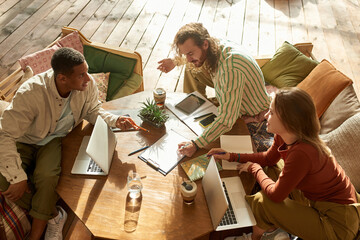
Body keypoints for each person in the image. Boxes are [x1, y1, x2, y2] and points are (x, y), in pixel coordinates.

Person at [0, 47, 137, 240]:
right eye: (81, 75)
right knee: (4, 180)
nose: (88, 79)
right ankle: (55, 215)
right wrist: (18, 177)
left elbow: (93, 110)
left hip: (53, 140)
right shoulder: (30, 93)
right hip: (24, 140)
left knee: (46, 177)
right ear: (62, 78)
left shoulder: (86, 86)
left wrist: (116, 120)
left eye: (86, 71)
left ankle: (36, 234)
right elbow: (4, 134)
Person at [207, 87, 360, 240]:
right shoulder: (285, 136)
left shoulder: (302, 153)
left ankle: (257, 236)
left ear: (289, 121)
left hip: (336, 224)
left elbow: (275, 196)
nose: (265, 116)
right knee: (272, 167)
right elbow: (268, 159)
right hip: (315, 201)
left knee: (263, 200)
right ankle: (274, 228)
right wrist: (231, 156)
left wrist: (254, 168)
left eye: (271, 113)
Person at [158, 22, 270, 157]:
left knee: (214, 151)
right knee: (192, 66)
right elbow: (191, 54)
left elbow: (226, 120)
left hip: (253, 115)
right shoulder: (214, 45)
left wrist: (196, 144)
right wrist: (175, 61)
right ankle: (194, 104)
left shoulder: (230, 69)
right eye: (185, 54)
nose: (188, 58)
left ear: (205, 44)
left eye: (190, 53)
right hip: (234, 100)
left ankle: (198, 110)